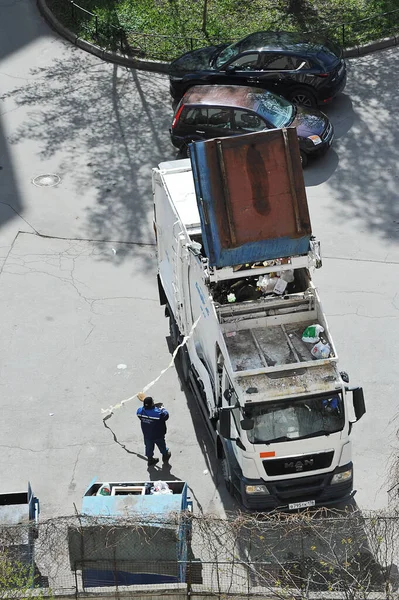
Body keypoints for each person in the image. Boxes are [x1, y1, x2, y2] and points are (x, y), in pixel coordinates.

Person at [136, 396, 171, 466]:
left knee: (148, 447)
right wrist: (162, 408)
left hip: (147, 434)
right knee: (162, 445)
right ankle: (165, 455)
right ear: (152, 404)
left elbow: (143, 413)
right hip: (158, 434)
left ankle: (150, 459)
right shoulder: (158, 413)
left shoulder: (139, 411)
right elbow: (166, 415)